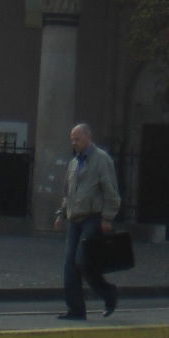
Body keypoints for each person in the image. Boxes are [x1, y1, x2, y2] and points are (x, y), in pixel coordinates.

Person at [53, 122, 121, 320]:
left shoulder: (101, 159)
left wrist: (108, 217)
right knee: (69, 266)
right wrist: (60, 214)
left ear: (88, 137)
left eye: (77, 138)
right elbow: (67, 193)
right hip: (75, 219)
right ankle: (75, 310)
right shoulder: (74, 162)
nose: (74, 143)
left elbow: (111, 191)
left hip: (93, 218)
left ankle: (109, 293)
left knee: (83, 261)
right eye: (72, 139)